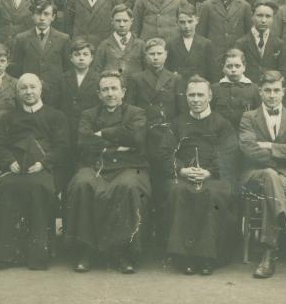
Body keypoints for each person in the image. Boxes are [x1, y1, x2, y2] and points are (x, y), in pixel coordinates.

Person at [65, 71, 151, 274]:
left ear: (123, 91)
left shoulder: (136, 113)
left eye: (114, 88)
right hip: (96, 165)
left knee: (128, 187)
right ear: (98, 93)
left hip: (129, 165)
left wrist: (103, 134)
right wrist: (120, 141)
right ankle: (85, 250)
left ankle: (124, 252)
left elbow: (136, 139)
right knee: (82, 184)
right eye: (105, 89)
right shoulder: (89, 114)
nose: (110, 93)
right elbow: (84, 142)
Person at [0, 73, 68, 270]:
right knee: (6, 187)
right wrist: (9, 162)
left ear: (40, 89)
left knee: (38, 187)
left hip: (43, 169)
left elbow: (63, 146)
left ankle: (37, 255)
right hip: (15, 169)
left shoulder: (56, 116)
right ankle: (6, 254)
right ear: (18, 92)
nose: (28, 91)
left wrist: (44, 163)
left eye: (32, 87)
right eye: (23, 88)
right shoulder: (9, 118)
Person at [161, 75, 239, 275]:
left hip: (214, 177)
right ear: (186, 97)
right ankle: (184, 257)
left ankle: (208, 257)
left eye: (200, 95)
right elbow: (165, 152)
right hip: (184, 176)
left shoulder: (223, 124)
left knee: (212, 195)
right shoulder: (177, 124)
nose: (195, 99)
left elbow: (229, 154)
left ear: (210, 96)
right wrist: (181, 170)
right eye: (191, 95)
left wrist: (209, 171)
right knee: (179, 191)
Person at [239, 70, 286, 279]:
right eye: (267, 90)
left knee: (271, 177)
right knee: (269, 175)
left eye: (276, 90)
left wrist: (268, 145)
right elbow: (248, 149)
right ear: (260, 92)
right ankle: (285, 226)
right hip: (254, 175)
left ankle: (269, 252)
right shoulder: (249, 117)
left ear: (283, 92)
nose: (272, 95)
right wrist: (284, 149)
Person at [125, 38, 181, 247]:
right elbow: (130, 109)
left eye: (159, 53)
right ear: (145, 56)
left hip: (167, 138)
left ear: (166, 55)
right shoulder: (137, 79)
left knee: (165, 185)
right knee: (146, 185)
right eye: (151, 54)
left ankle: (165, 236)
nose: (155, 58)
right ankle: (145, 234)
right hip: (145, 138)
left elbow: (179, 111)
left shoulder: (175, 79)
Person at [48, 40, 100, 190]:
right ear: (71, 58)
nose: (81, 58)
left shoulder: (97, 79)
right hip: (66, 131)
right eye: (77, 55)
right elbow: (53, 105)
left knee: (84, 169)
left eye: (85, 54)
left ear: (92, 58)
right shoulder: (62, 78)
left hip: (88, 131)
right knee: (64, 168)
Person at [195, 0, 253, 79]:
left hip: (237, 60)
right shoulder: (207, 5)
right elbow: (200, 35)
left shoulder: (244, 6)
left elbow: (249, 36)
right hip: (214, 60)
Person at [9, 0, 71, 98]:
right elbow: (16, 69)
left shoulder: (63, 39)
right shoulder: (22, 39)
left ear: (53, 17)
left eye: (46, 14)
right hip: (29, 93)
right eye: (38, 13)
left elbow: (67, 70)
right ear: (32, 16)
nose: (42, 18)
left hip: (55, 94)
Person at [235, 0, 286, 84]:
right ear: (252, 16)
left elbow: (283, 70)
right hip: (248, 87)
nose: (263, 20)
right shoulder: (241, 43)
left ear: (273, 18)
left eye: (268, 16)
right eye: (259, 16)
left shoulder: (279, 44)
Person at [210, 48, 260, 130]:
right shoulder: (214, 89)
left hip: (246, 133)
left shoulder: (254, 89)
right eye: (229, 66)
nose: (233, 70)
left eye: (237, 66)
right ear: (223, 68)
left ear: (244, 67)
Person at [93, 4, 146, 78]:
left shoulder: (141, 45)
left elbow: (146, 71)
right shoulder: (104, 45)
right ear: (112, 21)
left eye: (125, 21)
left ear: (131, 21)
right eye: (118, 21)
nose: (122, 24)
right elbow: (96, 71)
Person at [166, 3, 214, 83]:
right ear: (176, 22)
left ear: (197, 20)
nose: (187, 26)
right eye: (182, 22)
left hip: (199, 88)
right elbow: (167, 71)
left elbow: (212, 74)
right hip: (178, 87)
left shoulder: (206, 44)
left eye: (190, 21)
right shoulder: (171, 44)